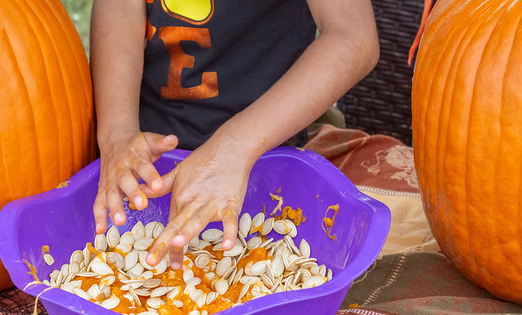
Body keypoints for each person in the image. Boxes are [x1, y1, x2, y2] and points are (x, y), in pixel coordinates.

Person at [89, 0, 379, 270]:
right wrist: (117, 131)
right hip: (145, 149)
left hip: (268, 148)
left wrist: (235, 146)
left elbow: (353, 36)